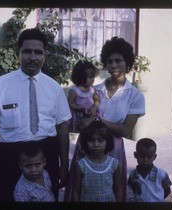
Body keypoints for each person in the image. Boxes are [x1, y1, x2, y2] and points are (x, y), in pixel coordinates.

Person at [0, 28, 71, 201]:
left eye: (38, 52)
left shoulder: (54, 87)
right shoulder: (1, 85)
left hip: (46, 154)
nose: (33, 57)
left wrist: (64, 165)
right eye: (27, 51)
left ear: (45, 55)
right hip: (9, 156)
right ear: (18, 53)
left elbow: (62, 126)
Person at [64, 36, 145, 201]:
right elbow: (78, 120)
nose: (113, 65)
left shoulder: (135, 96)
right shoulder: (95, 90)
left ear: (127, 63)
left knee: (110, 191)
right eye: (109, 61)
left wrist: (98, 120)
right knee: (80, 190)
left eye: (118, 60)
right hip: (87, 145)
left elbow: (125, 129)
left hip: (113, 148)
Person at [72, 118, 122, 202]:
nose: (96, 144)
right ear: (85, 142)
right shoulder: (81, 165)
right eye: (91, 140)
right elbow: (76, 191)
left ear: (107, 141)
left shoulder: (114, 164)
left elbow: (117, 190)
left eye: (100, 140)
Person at [67, 60, 100, 132]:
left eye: (93, 77)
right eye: (90, 77)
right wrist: (81, 108)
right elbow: (69, 104)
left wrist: (94, 107)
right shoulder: (74, 90)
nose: (93, 80)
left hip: (90, 116)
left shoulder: (92, 88)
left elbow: (97, 99)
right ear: (81, 77)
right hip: (78, 117)